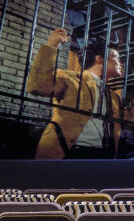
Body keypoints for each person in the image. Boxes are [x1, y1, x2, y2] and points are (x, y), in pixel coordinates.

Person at [27, 27, 123, 159]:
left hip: (102, 156)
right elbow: (37, 86)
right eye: (116, 57)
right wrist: (52, 45)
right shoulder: (70, 78)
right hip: (68, 153)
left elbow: (133, 121)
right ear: (100, 59)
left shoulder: (113, 96)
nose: (120, 63)